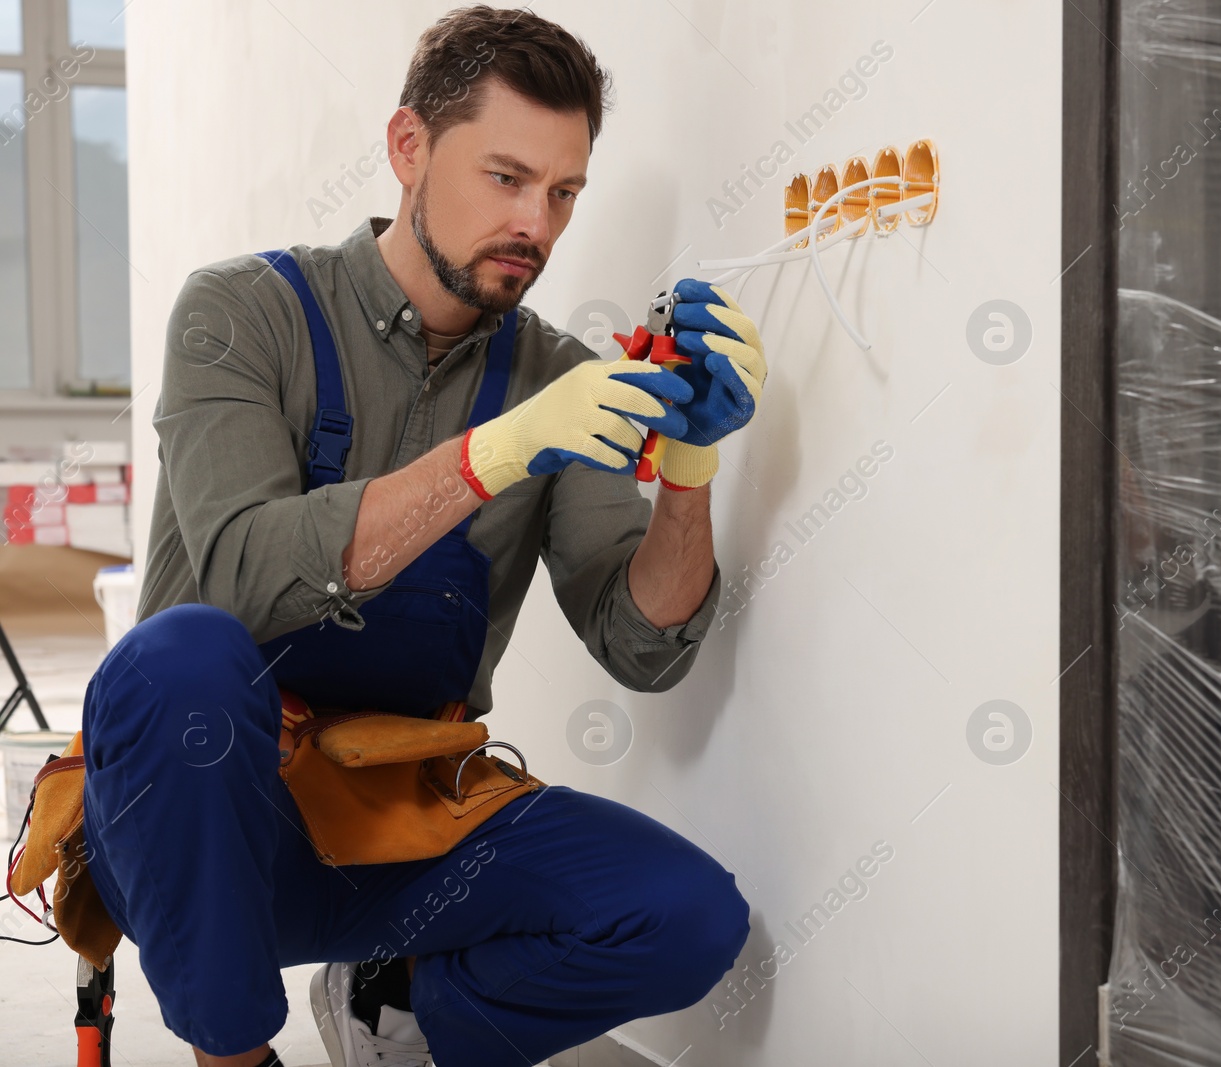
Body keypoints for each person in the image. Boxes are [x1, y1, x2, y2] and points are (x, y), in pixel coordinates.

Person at [80, 6, 766, 1066]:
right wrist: (491, 456)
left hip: (395, 823)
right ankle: (232, 1054)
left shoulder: (560, 379)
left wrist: (689, 464)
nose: (535, 221)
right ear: (410, 148)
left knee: (687, 914)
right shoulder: (239, 313)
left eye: (564, 191)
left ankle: (392, 1003)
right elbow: (244, 575)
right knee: (182, 657)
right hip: (197, 824)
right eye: (505, 177)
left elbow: (640, 646)